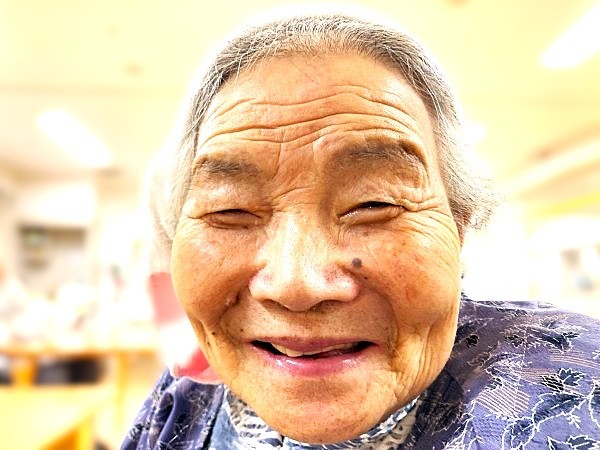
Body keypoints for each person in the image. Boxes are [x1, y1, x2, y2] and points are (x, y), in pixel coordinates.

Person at [122, 10, 600, 449]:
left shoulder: (574, 391)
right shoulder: (181, 400)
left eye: (374, 204)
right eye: (229, 210)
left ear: (459, 228)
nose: (295, 285)